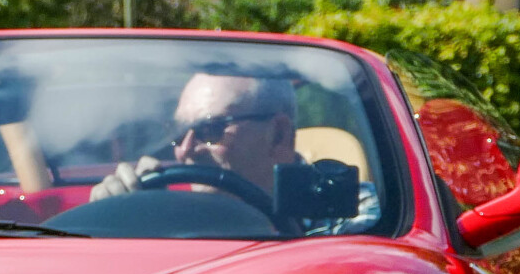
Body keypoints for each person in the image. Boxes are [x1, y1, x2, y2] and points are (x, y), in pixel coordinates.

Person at [88, 70, 377, 232]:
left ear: (278, 135)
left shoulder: (354, 215)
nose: (185, 150)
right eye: (177, 134)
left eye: (211, 129)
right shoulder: (166, 217)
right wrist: (114, 215)